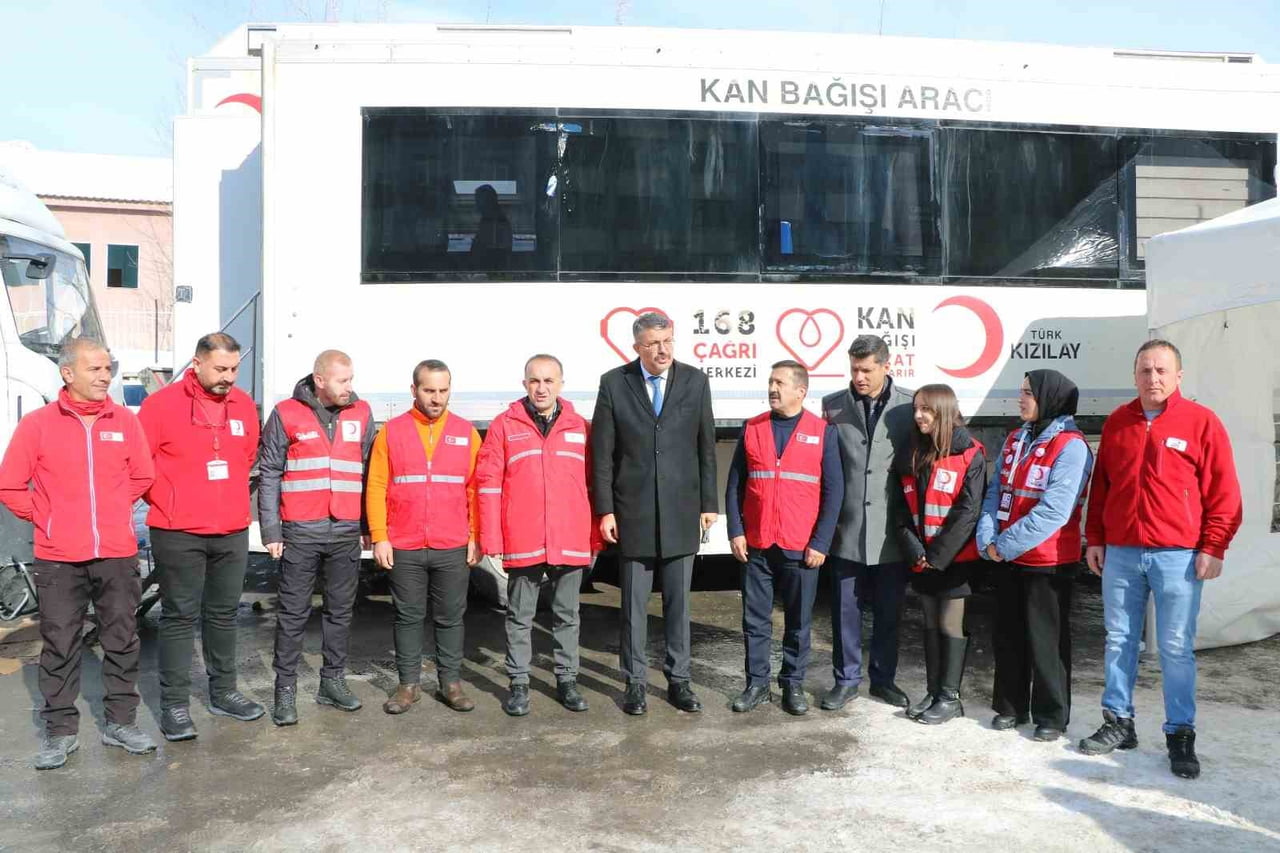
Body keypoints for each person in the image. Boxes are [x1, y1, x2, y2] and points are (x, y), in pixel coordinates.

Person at [1078, 340, 1242, 780]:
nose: (1153, 378)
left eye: (1161, 370)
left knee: (1174, 648)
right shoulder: (1118, 422)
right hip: (1122, 552)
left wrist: (1214, 546)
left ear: (1178, 376)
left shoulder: (1201, 422)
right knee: (1119, 640)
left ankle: (1180, 733)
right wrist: (1096, 538)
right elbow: (1102, 488)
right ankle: (1119, 722)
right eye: (1145, 370)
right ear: (1134, 376)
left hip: (1178, 556)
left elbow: (1224, 491)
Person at [0, 338, 155, 770]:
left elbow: (142, 475)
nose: (105, 376)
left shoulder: (125, 421)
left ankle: (120, 723)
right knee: (60, 643)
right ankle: (60, 731)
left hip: (116, 553)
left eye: (108, 368)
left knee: (121, 640)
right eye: (95, 369)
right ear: (67, 373)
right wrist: (48, 518)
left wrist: (112, 509)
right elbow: (10, 484)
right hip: (59, 556)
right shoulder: (37, 425)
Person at [591, 312, 717, 715]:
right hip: (634, 512)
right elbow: (602, 455)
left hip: (681, 510)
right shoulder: (615, 383)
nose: (663, 350)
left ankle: (679, 680)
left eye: (667, 341)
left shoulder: (695, 381)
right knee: (633, 606)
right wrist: (605, 510)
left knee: (679, 605)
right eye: (653, 344)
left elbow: (706, 446)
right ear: (637, 347)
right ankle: (635, 683)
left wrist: (709, 504)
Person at [139, 332, 263, 741]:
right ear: (197, 364)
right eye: (221, 369)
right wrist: (169, 501)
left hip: (230, 529)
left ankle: (224, 691)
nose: (229, 377)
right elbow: (139, 465)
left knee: (224, 614)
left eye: (234, 369)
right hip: (177, 531)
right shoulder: (161, 405)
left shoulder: (242, 405)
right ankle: (174, 704)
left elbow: (246, 456)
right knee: (179, 616)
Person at [258, 350, 376, 726]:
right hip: (300, 531)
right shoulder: (286, 413)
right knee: (293, 614)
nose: (349, 387)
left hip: (345, 530)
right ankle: (285, 689)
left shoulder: (362, 412)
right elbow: (269, 472)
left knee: (340, 612)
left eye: (351, 379)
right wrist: (271, 530)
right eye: (343, 380)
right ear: (320, 380)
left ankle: (332, 682)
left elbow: (370, 472)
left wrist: (369, 527)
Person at [476, 354, 598, 716]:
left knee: (567, 615)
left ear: (561, 384)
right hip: (523, 537)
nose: (541, 388)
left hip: (569, 536)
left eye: (548, 381)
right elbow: (488, 484)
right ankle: (518, 683)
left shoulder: (581, 427)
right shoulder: (504, 426)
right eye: (534, 381)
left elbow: (595, 486)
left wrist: (594, 538)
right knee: (519, 616)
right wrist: (492, 539)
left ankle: (567, 681)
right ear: (524, 384)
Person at [976, 369, 1092, 742]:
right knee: (1008, 634)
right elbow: (995, 491)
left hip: (1047, 561)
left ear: (1049, 397)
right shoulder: (1016, 438)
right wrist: (986, 536)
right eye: (1021, 391)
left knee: (1047, 640)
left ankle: (1051, 715)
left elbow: (1055, 511)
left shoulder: (1071, 447)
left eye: (1028, 392)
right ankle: (1011, 706)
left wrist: (1003, 545)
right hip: (1007, 557)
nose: (1020, 398)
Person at [725, 361, 843, 715]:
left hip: (801, 546)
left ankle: (792, 684)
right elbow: (734, 486)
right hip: (758, 543)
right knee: (754, 621)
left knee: (798, 622)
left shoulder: (822, 432)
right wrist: (736, 530)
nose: (772, 389)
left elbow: (834, 492)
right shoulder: (752, 428)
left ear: (800, 391)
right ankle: (756, 684)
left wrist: (821, 542)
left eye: (779, 383)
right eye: (770, 382)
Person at [367, 359, 482, 715]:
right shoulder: (392, 432)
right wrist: (380, 536)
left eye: (443, 390)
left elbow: (475, 489)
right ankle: (408, 686)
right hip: (405, 543)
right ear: (413, 390)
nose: (436, 398)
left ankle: (451, 684)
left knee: (451, 618)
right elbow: (377, 485)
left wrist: (475, 535)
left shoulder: (466, 433)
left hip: (452, 543)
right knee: (408, 617)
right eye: (429, 390)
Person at [820, 334, 916, 710]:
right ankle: (845, 680)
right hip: (847, 529)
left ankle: (883, 679)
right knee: (845, 611)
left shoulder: (909, 406)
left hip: (892, 531)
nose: (859, 377)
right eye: (854, 369)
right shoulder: (832, 406)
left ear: (886, 366)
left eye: (866, 370)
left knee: (889, 612)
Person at [893, 384, 985, 725]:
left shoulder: (970, 453)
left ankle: (950, 697)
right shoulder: (913, 453)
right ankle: (933, 692)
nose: (919, 416)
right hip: (922, 558)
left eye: (926, 409)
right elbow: (901, 508)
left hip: (954, 560)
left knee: (949, 624)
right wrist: (915, 550)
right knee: (930, 623)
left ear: (944, 411)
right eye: (916, 409)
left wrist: (937, 555)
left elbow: (968, 512)